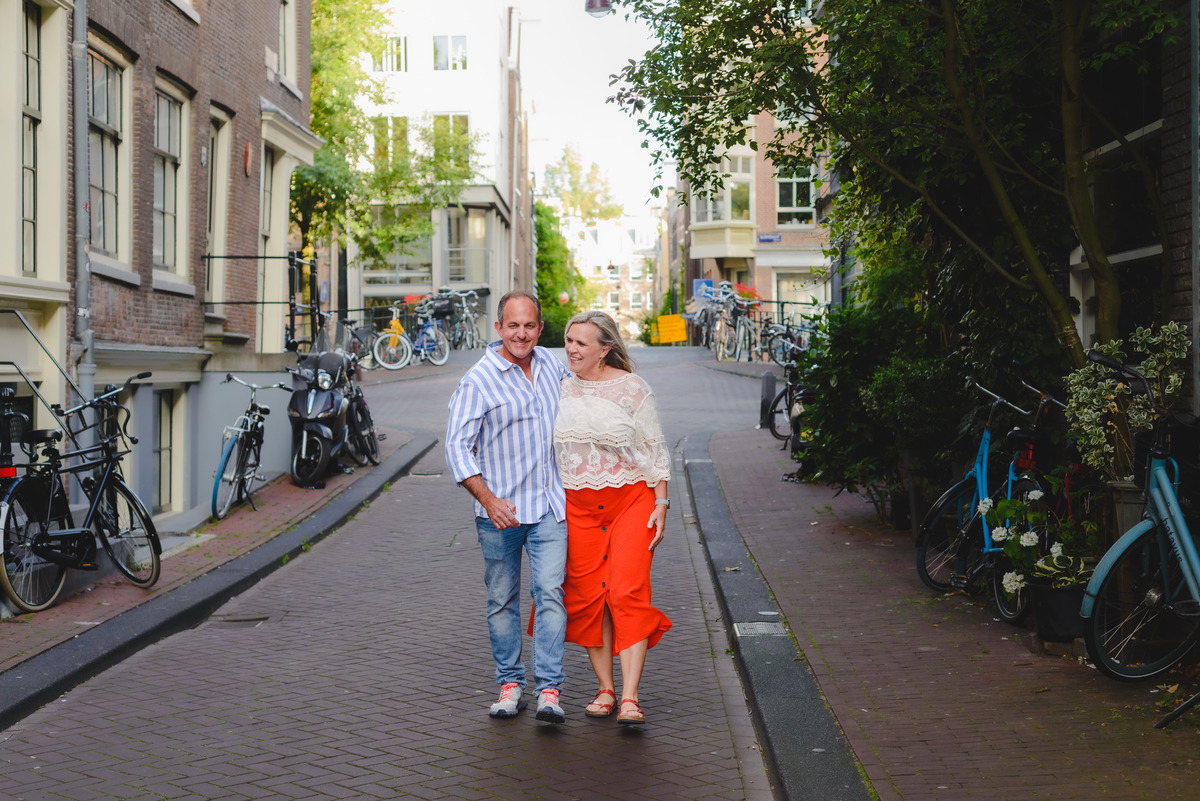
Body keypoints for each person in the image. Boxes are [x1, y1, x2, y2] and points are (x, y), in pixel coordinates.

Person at [445, 291, 572, 723]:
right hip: (501, 514)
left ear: (540, 329)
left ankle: (549, 691)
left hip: (551, 507)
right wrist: (488, 499)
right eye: (513, 325)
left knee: (551, 594)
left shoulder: (553, 365)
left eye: (530, 325)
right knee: (502, 600)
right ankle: (510, 684)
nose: (521, 333)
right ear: (498, 328)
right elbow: (458, 448)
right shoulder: (478, 380)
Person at [554, 311, 672, 725]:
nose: (571, 348)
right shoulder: (558, 387)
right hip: (578, 507)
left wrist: (661, 503)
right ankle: (605, 689)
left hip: (631, 500)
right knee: (590, 599)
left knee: (626, 592)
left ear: (605, 349)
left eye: (581, 343)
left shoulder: (633, 389)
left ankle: (631, 697)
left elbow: (654, 449)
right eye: (568, 340)